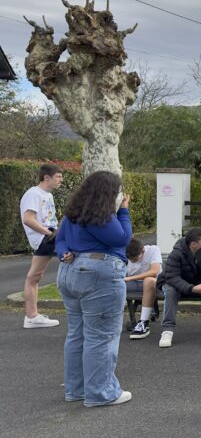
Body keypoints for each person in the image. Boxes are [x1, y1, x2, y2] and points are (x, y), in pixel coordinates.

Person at [54, 171, 132, 407]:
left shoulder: (73, 213)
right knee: (101, 336)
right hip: (99, 274)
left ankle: (76, 389)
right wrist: (124, 211)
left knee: (77, 334)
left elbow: (59, 239)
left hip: (69, 274)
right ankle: (100, 393)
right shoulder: (101, 215)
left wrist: (63, 253)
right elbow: (122, 238)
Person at [155, 227, 201, 348]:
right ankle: (167, 330)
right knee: (171, 291)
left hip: (196, 284)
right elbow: (172, 278)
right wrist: (192, 288)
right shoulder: (176, 254)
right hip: (175, 285)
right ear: (193, 244)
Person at [21, 163, 63, 329]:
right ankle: (31, 316)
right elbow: (28, 219)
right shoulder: (33, 194)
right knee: (33, 277)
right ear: (47, 177)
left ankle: (32, 315)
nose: (61, 180)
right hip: (44, 238)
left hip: (49, 235)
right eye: (58, 177)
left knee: (35, 277)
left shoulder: (48, 195)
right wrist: (48, 233)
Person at [125, 238, 162, 339]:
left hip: (153, 284)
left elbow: (154, 272)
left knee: (149, 280)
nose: (132, 261)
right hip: (133, 284)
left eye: (134, 259)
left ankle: (143, 323)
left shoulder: (153, 250)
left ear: (142, 251)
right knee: (113, 285)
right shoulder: (126, 253)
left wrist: (130, 278)